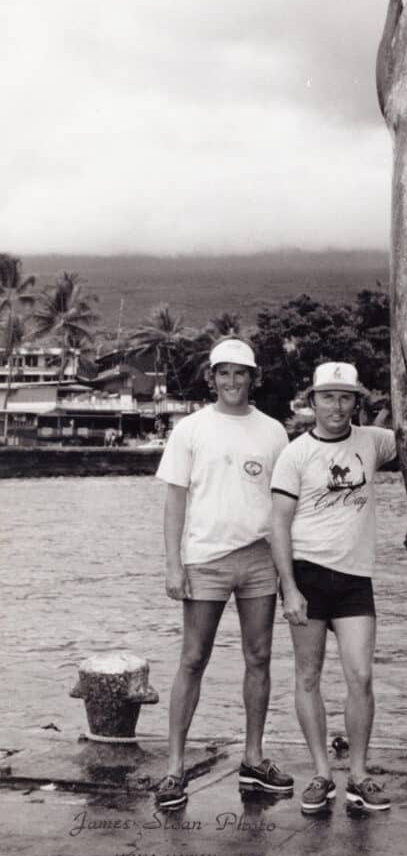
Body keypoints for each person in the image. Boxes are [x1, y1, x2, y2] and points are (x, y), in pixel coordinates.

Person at [153, 338, 292, 809]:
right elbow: (175, 503)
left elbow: (285, 504)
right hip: (205, 559)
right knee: (193, 658)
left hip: (259, 557)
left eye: (241, 373)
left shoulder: (274, 431)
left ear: (254, 378)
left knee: (259, 657)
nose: (232, 381)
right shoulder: (190, 429)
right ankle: (174, 769)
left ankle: (253, 760)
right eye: (224, 373)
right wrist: (174, 564)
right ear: (211, 378)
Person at [269, 361, 397, 815]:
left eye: (345, 398)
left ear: (355, 403)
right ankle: (322, 773)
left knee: (361, 677)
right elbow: (279, 526)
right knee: (308, 676)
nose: (337, 406)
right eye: (328, 397)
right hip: (308, 576)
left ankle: (358, 775)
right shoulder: (295, 453)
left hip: (355, 580)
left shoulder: (375, 443)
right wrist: (289, 589)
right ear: (313, 402)